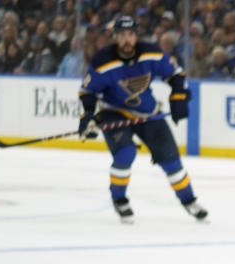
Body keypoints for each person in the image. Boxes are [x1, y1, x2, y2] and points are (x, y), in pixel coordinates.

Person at [78, 15, 207, 223]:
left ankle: (189, 200)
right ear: (115, 37)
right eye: (122, 35)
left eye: (130, 34)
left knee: (171, 160)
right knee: (125, 153)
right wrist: (88, 116)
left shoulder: (151, 53)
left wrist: (178, 96)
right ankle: (119, 199)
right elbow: (88, 91)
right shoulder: (103, 61)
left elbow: (175, 74)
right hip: (114, 112)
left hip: (148, 113)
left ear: (136, 35)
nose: (127, 40)